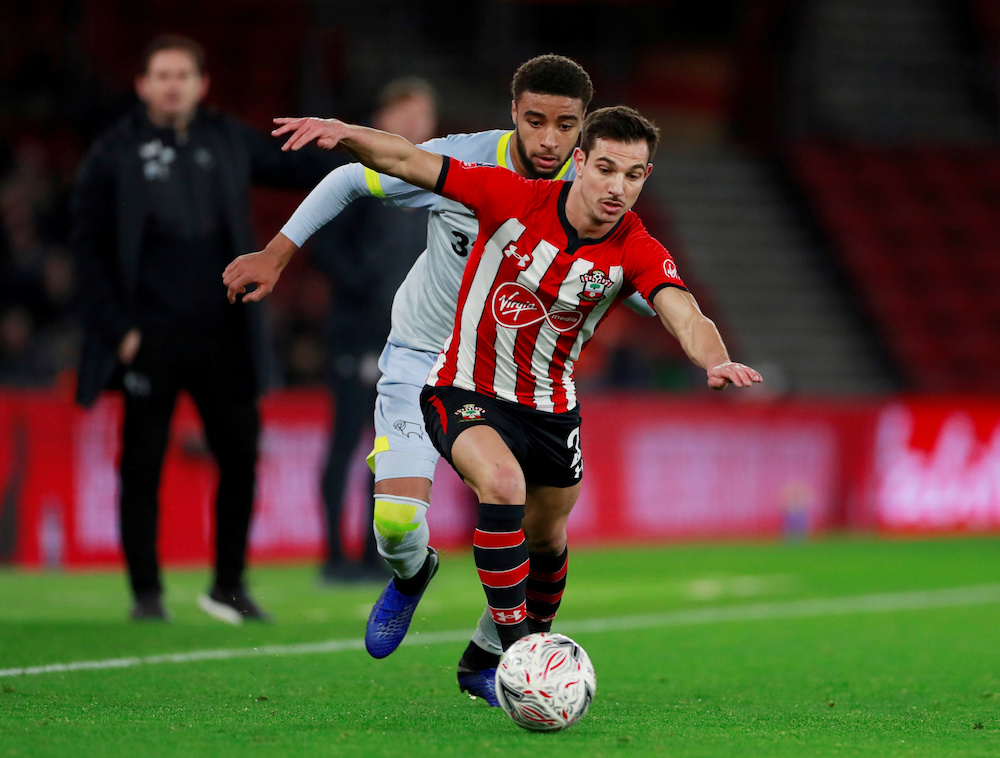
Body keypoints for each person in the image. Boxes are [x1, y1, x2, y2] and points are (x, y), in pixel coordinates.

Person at [263, 102, 763, 689]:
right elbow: (406, 158)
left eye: (632, 175)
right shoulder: (508, 196)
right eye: (605, 168)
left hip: (550, 406)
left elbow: (685, 312)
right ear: (579, 162)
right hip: (461, 387)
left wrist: (716, 358)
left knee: (548, 539)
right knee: (500, 484)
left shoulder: (637, 248)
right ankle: (521, 653)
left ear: (645, 178)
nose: (616, 187)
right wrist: (348, 134)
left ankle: (481, 659)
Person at [225, 55, 641, 704]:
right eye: (534, 121)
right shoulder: (463, 162)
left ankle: (488, 655)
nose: (549, 140)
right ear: (513, 114)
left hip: (517, 376)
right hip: (425, 359)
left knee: (538, 530)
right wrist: (276, 253)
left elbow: (636, 274)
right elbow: (348, 181)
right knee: (395, 522)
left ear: (584, 127)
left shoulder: (593, 191)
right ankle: (412, 574)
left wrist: (678, 311)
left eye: (565, 126)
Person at [71, 35, 343, 623]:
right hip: (149, 337)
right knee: (141, 465)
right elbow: (87, 248)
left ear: (202, 83)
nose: (173, 85)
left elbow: (294, 166)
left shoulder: (227, 137)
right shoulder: (113, 152)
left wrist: (344, 139)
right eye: (162, 75)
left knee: (240, 457)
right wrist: (119, 329)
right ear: (142, 85)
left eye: (183, 74)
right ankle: (146, 593)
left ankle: (229, 584)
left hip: (225, 331)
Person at [310, 78, 439, 583]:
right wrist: (365, 286)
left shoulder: (433, 178)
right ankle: (333, 555)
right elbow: (324, 245)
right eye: (404, 113)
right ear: (382, 117)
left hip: (412, 340)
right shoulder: (357, 174)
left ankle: (371, 554)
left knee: (391, 445)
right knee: (346, 441)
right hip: (357, 333)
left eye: (422, 115)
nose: (413, 124)